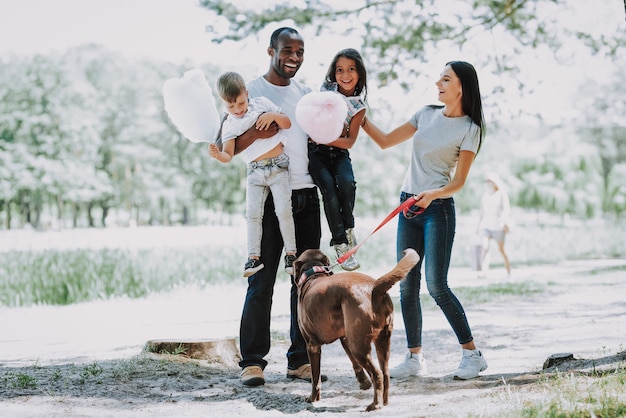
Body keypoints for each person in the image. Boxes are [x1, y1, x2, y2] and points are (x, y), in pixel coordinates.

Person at [361, 61, 488, 380]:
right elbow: (386, 140)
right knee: (406, 287)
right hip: (408, 207)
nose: (438, 83)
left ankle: (472, 355)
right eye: (439, 78)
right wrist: (359, 117)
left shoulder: (470, 128)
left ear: (461, 86)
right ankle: (415, 357)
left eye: (446, 79)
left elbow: (459, 181)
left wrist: (433, 194)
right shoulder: (425, 114)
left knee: (437, 286)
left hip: (438, 210)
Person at [226, 27, 322, 387]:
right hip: (268, 195)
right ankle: (252, 361)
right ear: (271, 50)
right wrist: (258, 132)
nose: (293, 57)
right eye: (287, 50)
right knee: (262, 280)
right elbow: (231, 146)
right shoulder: (250, 92)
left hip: (306, 196)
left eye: (300, 51)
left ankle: (300, 360)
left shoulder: (306, 95)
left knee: (306, 282)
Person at [208, 71, 297, 278]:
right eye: (230, 106)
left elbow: (287, 123)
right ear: (222, 103)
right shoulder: (229, 124)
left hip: (278, 166)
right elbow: (228, 155)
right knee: (252, 215)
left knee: (284, 210)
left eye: (240, 102)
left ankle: (291, 254)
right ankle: (253, 257)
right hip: (255, 172)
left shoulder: (262, 104)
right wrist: (218, 155)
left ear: (246, 93)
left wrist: (273, 115)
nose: (237, 110)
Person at [307, 48, 367, 271]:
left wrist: (326, 137)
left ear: (359, 73)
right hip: (317, 154)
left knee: (347, 184)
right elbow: (313, 122)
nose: (345, 75)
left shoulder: (359, 107)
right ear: (334, 73)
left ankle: (349, 230)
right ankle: (340, 242)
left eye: (351, 69)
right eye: (340, 70)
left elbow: (349, 141)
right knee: (330, 192)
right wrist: (323, 135)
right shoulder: (326, 92)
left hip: (340, 154)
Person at [476, 172, 512, 277]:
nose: (487, 183)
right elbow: (481, 212)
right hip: (486, 225)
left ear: (495, 182)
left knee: (501, 249)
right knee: (484, 247)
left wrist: (503, 220)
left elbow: (506, 209)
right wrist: (478, 226)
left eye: (489, 181)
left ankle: (508, 268)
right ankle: (483, 271)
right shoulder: (484, 196)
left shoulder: (501, 194)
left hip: (498, 226)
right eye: (486, 181)